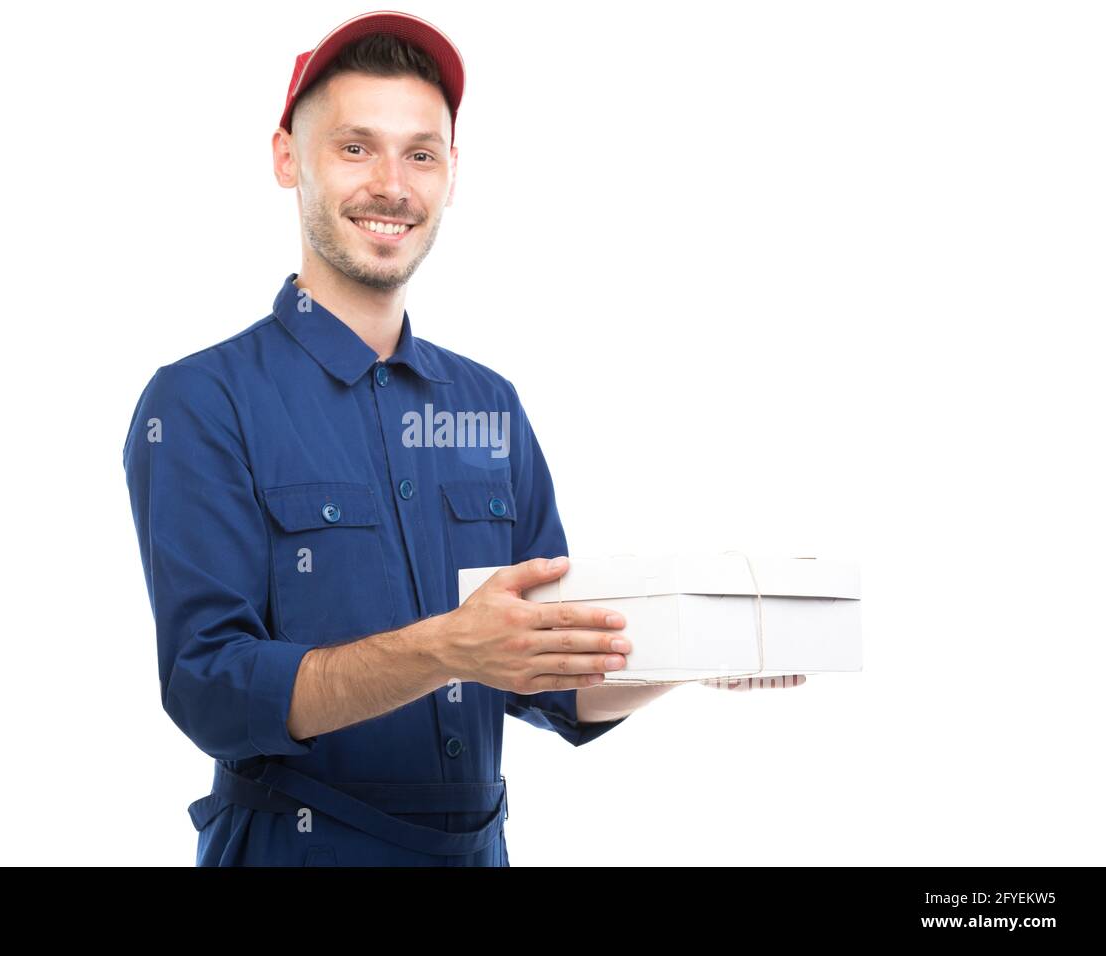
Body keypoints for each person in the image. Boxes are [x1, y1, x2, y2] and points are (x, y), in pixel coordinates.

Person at [123, 10, 798, 867]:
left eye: (422, 153)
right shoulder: (200, 402)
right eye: (356, 147)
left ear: (451, 173)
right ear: (288, 158)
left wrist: (703, 651)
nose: (393, 186)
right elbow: (210, 691)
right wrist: (444, 647)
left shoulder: (488, 404)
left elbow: (553, 681)